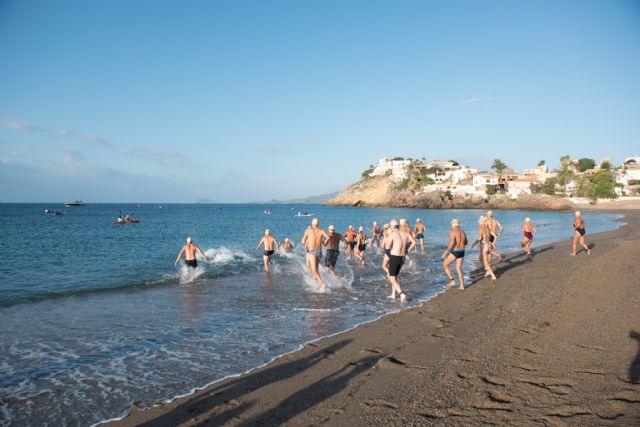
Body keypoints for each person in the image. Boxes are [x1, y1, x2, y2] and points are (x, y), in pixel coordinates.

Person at [383, 219, 411, 300]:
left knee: (391, 278)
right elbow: (413, 242)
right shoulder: (405, 234)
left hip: (394, 257)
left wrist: (390, 257)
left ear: (392, 226)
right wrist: (408, 250)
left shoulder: (392, 235)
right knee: (394, 277)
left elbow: (387, 248)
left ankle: (401, 294)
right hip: (402, 258)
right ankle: (393, 295)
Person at [301, 218, 329, 288]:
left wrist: (304, 240)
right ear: (318, 224)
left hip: (312, 251)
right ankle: (318, 284)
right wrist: (325, 243)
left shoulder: (308, 230)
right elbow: (328, 237)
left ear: (312, 223)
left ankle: (323, 284)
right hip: (319, 251)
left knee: (314, 270)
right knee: (316, 271)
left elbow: (302, 241)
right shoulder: (321, 230)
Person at [442, 219, 467, 289]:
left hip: (456, 251)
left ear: (453, 225)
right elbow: (466, 242)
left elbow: (452, 242)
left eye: (451, 225)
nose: (450, 226)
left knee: (445, 264)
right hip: (462, 251)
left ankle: (452, 280)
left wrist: (446, 251)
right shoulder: (463, 232)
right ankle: (462, 286)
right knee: (458, 268)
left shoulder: (452, 231)